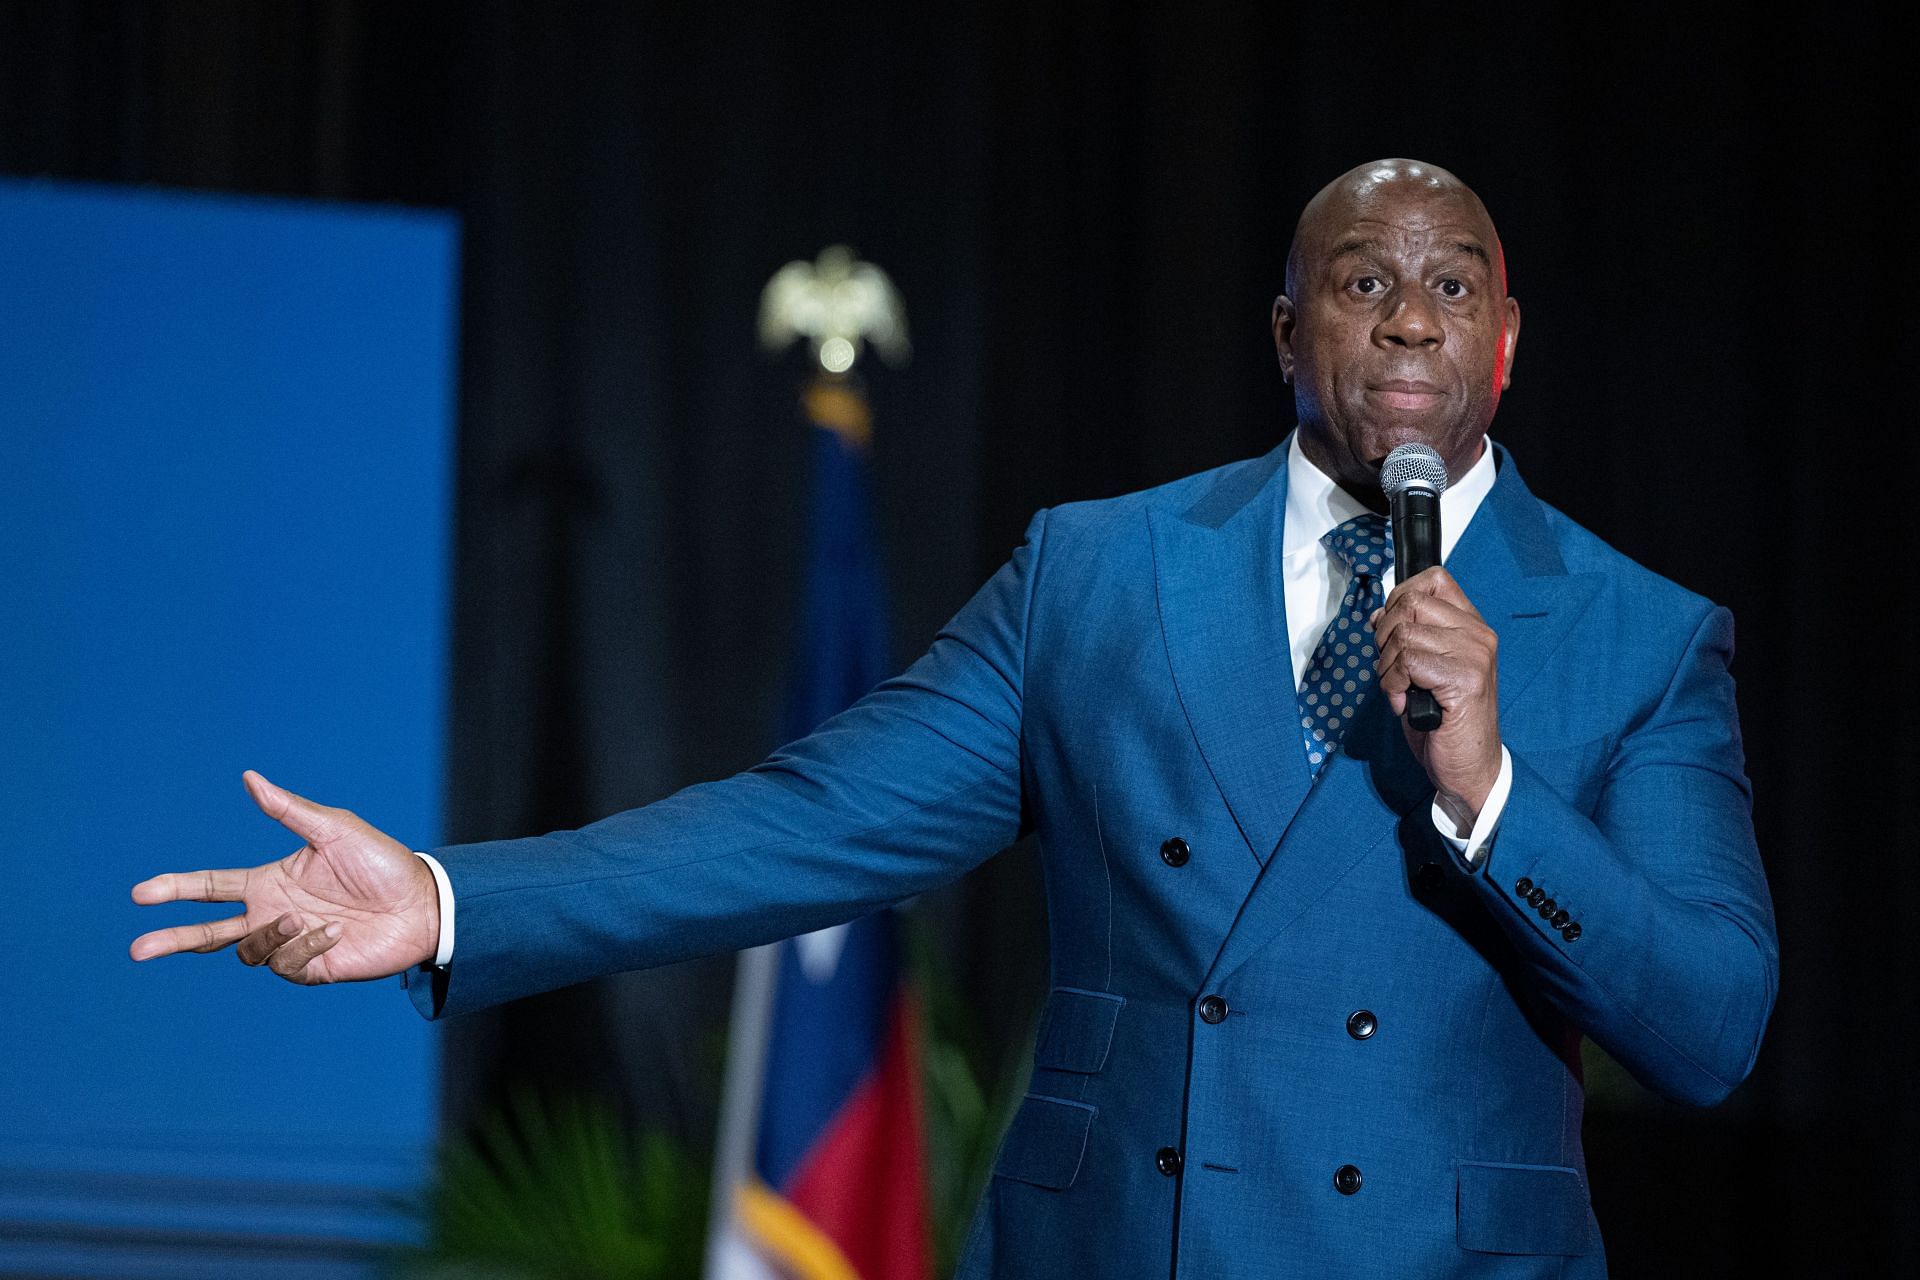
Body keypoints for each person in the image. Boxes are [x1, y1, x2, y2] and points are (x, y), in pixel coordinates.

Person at [131, 159, 1777, 1278]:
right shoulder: (1100, 573)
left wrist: (1491, 794)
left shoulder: (1634, 634)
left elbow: (1709, 1026)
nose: (1409, 316)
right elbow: (809, 824)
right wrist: (442, 898)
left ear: (1505, 343)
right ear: (1289, 336)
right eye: (1362, 281)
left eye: (1450, 285)